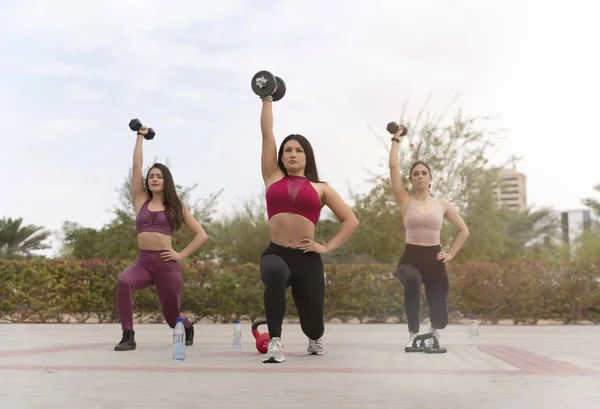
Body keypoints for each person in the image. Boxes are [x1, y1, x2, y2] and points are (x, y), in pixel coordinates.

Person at [258, 92, 359, 363]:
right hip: (276, 253)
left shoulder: (321, 188)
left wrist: (326, 247)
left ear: (307, 156)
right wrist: (267, 97)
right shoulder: (272, 176)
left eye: (298, 150)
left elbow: (351, 220)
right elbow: (268, 134)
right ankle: (275, 341)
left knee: (313, 323)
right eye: (287, 150)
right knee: (275, 274)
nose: (292, 154)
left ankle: (315, 337)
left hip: (307, 257)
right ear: (281, 156)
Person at [113, 125, 208, 352]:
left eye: (159, 176)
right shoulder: (140, 201)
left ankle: (186, 325)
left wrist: (181, 254)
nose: (154, 179)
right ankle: (128, 335)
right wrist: (140, 136)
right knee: (123, 281)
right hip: (144, 263)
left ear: (166, 180)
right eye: (151, 176)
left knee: (171, 318)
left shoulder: (176, 207)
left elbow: (202, 234)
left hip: (167, 265)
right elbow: (136, 167)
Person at [388, 124, 469, 350]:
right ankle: (413, 333)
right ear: (412, 180)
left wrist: (451, 253)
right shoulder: (405, 201)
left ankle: (434, 333)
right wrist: (396, 140)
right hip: (410, 258)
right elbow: (393, 167)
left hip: (434, 258)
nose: (420, 176)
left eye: (424, 173)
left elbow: (464, 230)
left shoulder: (442, 205)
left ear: (431, 179)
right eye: (416, 174)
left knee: (440, 312)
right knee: (412, 281)